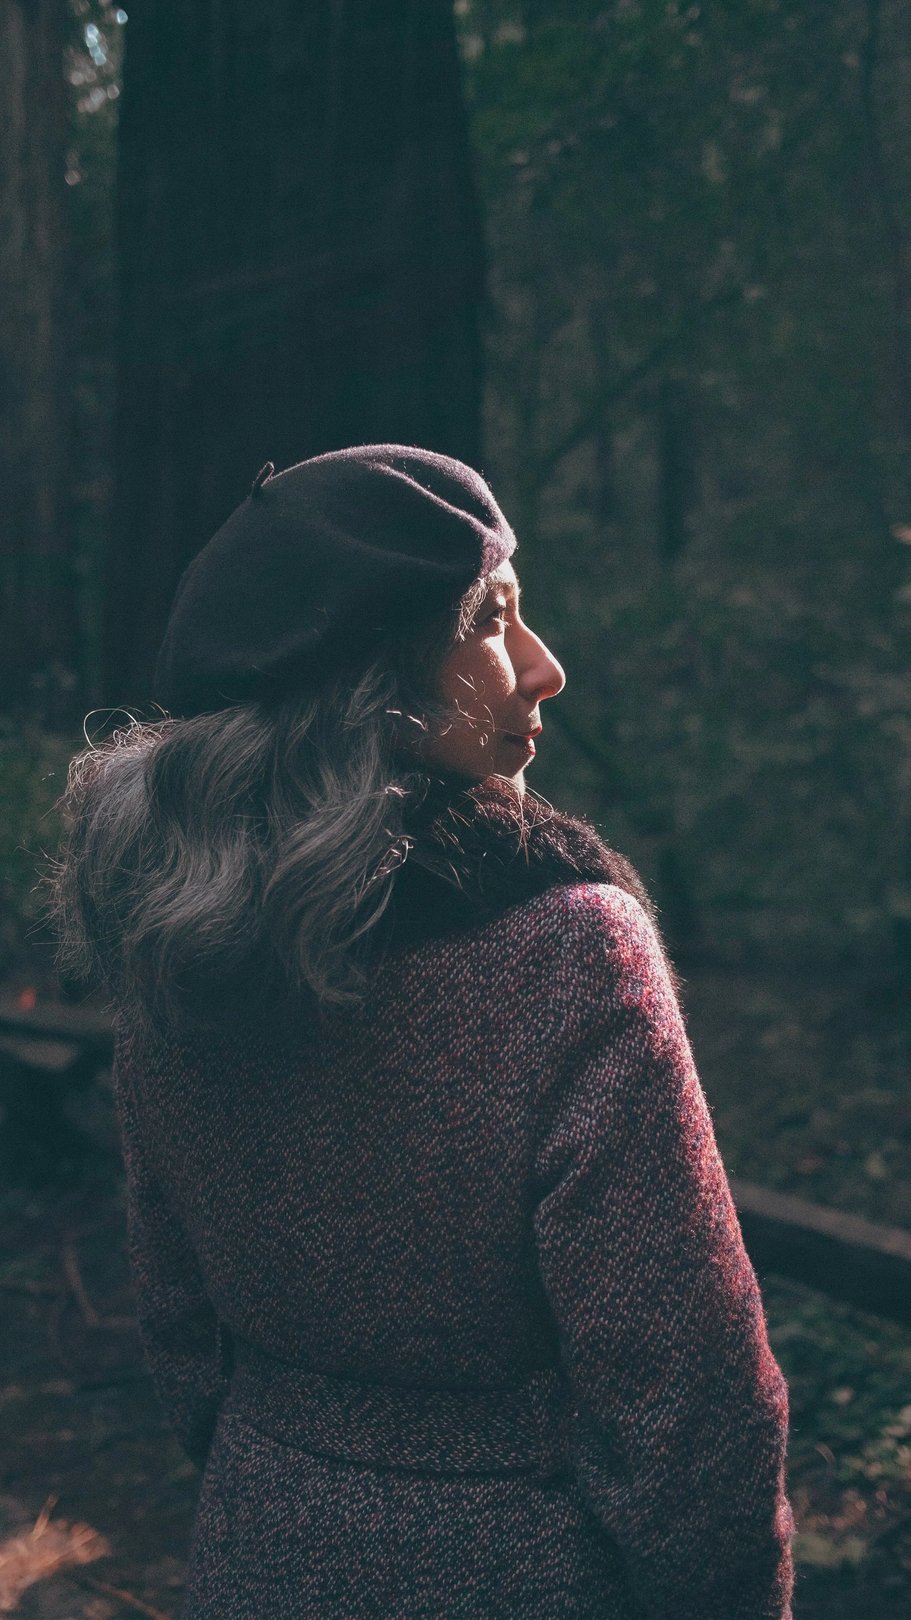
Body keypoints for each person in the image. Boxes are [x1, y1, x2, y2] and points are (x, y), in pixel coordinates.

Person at [49, 445, 795, 1618]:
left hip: (257, 1550)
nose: (543, 667)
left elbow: (181, 1332)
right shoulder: (563, 952)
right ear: (372, 676)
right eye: (490, 621)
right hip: (525, 1569)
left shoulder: (168, 931)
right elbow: (688, 1406)